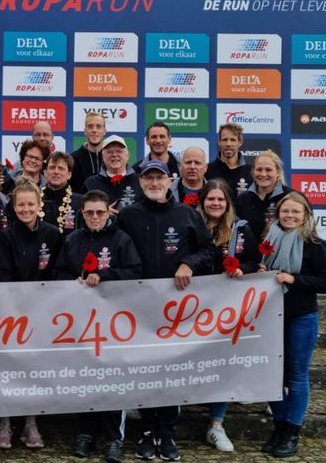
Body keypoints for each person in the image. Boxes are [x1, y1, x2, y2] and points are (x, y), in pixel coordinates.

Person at [116, 159, 213, 462]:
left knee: (171, 369)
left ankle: (167, 431)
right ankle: (147, 430)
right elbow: (115, 249)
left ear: (170, 181)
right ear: (141, 182)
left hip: (176, 308)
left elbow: (208, 250)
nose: (155, 183)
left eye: (160, 178)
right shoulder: (128, 215)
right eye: (149, 178)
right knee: (145, 369)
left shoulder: (187, 214)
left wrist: (188, 263)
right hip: (139, 308)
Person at [56, 189, 142, 463]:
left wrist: (104, 276)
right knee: (85, 378)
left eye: (100, 212)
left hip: (113, 323)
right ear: (82, 213)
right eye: (90, 212)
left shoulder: (121, 239)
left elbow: (135, 272)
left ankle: (114, 438)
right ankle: (86, 433)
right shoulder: (72, 240)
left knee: (112, 379)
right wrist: (72, 282)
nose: (95, 217)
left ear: (108, 213)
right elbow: (58, 272)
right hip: (81, 323)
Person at [258, 192, 326, 458]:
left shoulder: (313, 244)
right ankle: (279, 427)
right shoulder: (268, 241)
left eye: (295, 212)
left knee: (297, 375)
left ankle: (292, 431)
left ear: (305, 216)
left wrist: (293, 279)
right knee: (271, 376)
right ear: (278, 214)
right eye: (285, 211)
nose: (289, 216)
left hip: (301, 317)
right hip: (270, 317)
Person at [0, 180, 63, 449]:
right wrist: (16, 304)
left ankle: (31, 423)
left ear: (39, 205)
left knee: (34, 368)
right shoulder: (6, 235)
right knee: (8, 368)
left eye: (30, 204)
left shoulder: (53, 234)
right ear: (13, 206)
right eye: (20, 204)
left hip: (42, 311)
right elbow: (4, 274)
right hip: (12, 312)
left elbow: (57, 271)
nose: (25, 209)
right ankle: (5, 422)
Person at [194, 180, 260, 452]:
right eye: (211, 199)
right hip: (192, 306)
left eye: (221, 199)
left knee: (222, 362)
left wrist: (243, 269)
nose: (216, 204)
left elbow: (255, 260)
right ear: (202, 202)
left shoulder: (240, 229)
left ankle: (217, 424)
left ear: (228, 203)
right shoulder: (191, 225)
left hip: (226, 309)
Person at [234, 150, 294, 243]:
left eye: (268, 170)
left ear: (278, 172)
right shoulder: (242, 200)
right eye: (259, 169)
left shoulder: (291, 197)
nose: (263, 174)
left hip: (281, 251)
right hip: (248, 252)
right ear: (253, 171)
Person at [83, 135, 143, 216]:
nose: (114, 155)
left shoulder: (141, 180)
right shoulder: (90, 183)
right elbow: (83, 212)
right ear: (102, 157)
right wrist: (103, 212)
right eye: (109, 152)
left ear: (128, 155)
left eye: (119, 151)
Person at [41, 151, 84, 237]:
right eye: (52, 167)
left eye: (61, 168)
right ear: (45, 172)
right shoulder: (34, 200)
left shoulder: (80, 201)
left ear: (69, 175)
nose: (56, 172)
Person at [205, 123, 253, 197]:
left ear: (240, 142)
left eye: (233, 140)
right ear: (219, 142)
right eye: (225, 140)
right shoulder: (207, 170)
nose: (228, 144)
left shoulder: (251, 172)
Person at [70, 112, 106, 193]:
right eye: (90, 126)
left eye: (98, 126)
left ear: (104, 131)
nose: (94, 130)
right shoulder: (73, 159)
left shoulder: (111, 158)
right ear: (85, 131)